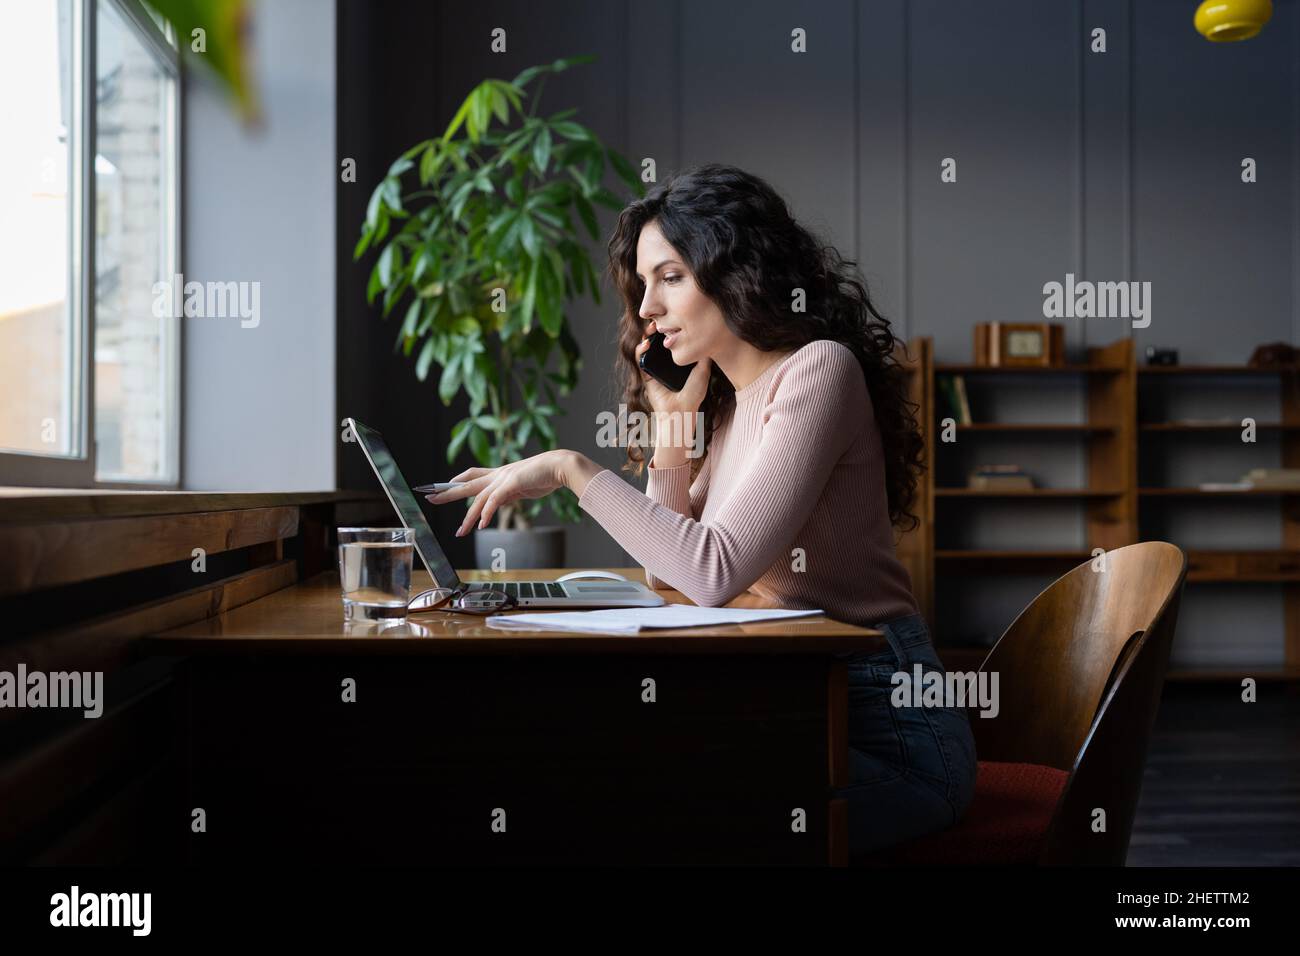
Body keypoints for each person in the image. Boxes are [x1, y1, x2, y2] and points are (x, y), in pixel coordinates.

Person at [426, 163, 976, 856]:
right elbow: (673, 578)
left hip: (889, 736)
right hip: (804, 701)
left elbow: (712, 572)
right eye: (642, 284)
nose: (647, 308)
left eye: (670, 276)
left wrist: (571, 469)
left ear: (736, 271)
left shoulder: (817, 370)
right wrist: (674, 425)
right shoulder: (726, 407)